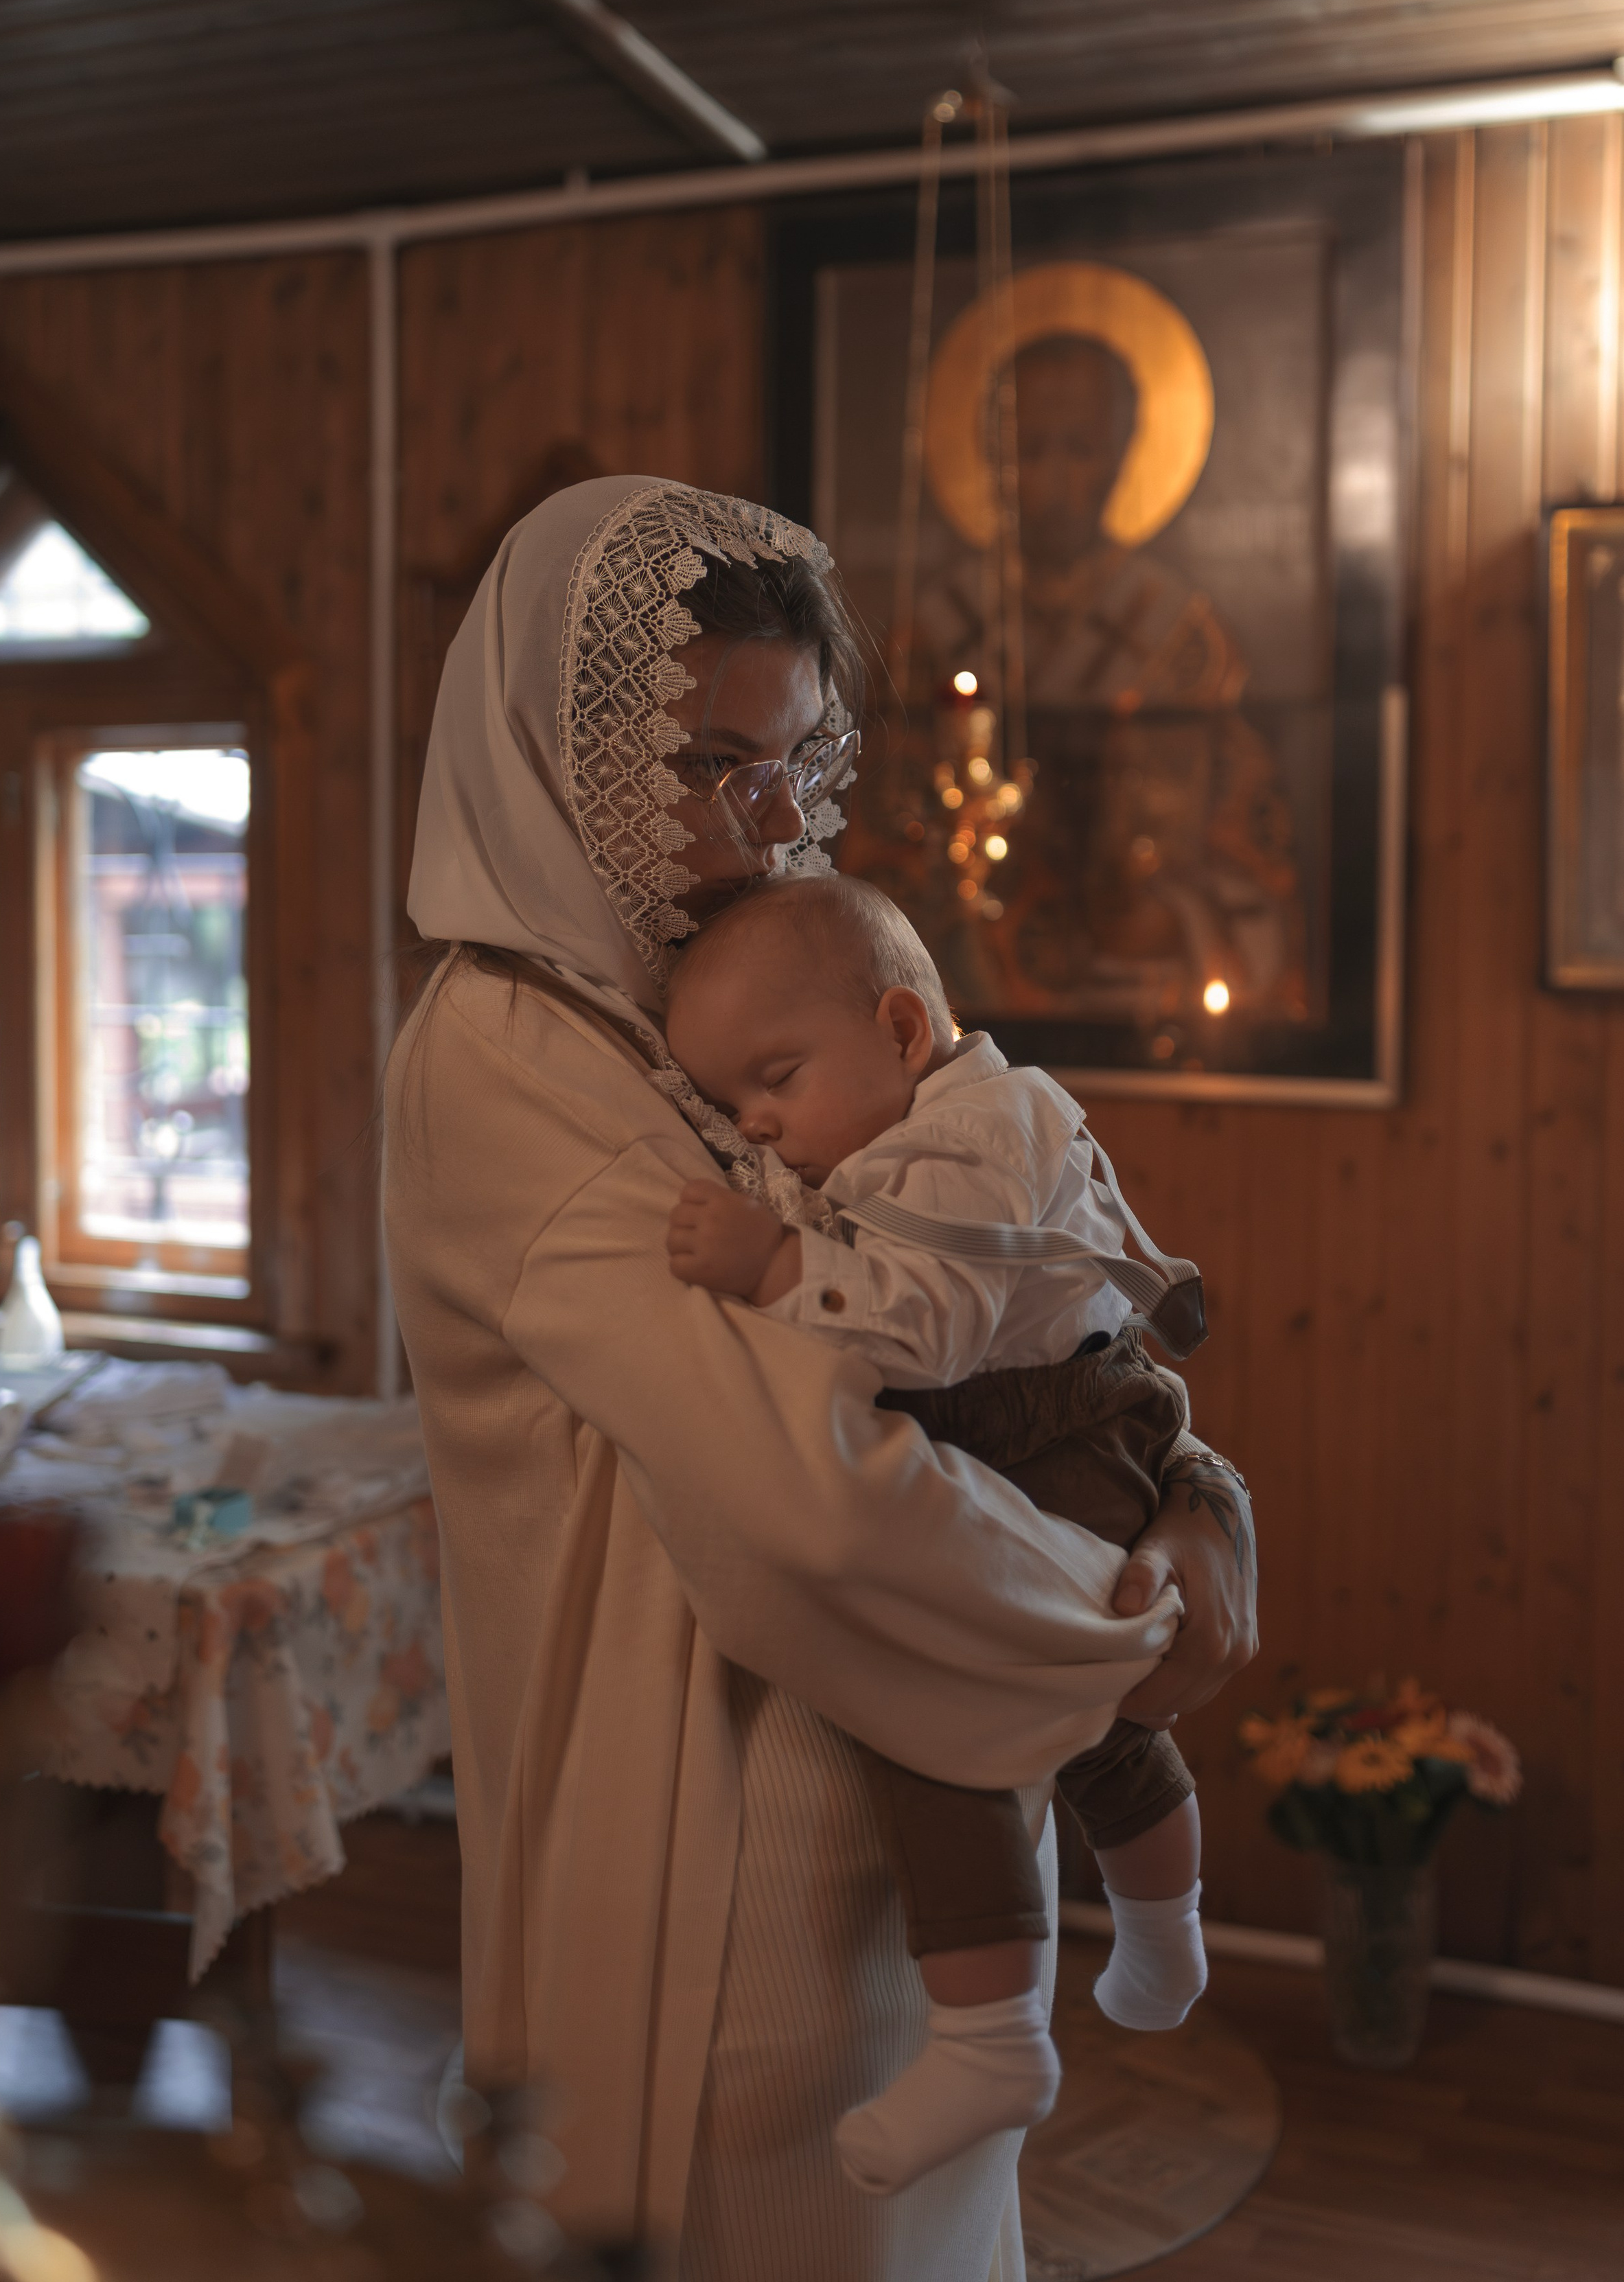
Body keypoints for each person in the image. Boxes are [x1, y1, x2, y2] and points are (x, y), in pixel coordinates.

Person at [385, 476, 1257, 2282]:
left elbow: (1029, 1292)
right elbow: (814, 1474)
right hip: (712, 1852)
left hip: (896, 1791)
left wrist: (1192, 1502)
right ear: (563, 752)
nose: (772, 821)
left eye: (788, 757)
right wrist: (1120, 1623)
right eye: (709, 762)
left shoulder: (725, 994)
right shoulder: (508, 1053)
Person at [663, 873, 1217, 2199]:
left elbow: (930, 1329)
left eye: (778, 1079)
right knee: (1102, 1721)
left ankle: (993, 2039)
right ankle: (1163, 1933)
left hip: (1050, 1429)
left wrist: (771, 1265)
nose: (760, 1126)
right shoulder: (961, 1108)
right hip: (1083, 1419)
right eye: (734, 1105)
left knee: (951, 1716)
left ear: (904, 1031)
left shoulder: (966, 1146)